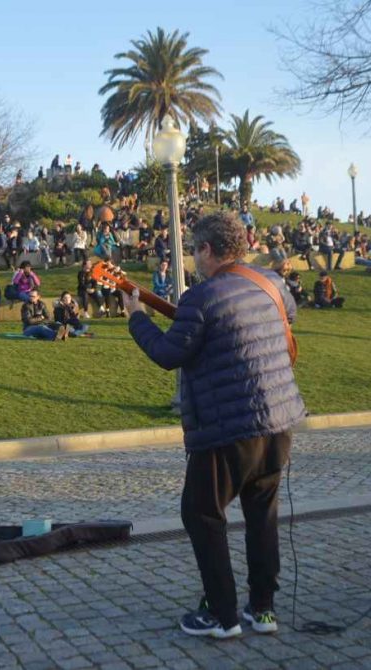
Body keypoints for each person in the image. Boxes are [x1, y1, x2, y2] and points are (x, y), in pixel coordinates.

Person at [123, 210, 305, 639]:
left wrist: (136, 316)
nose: (194, 262)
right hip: (279, 422)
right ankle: (262, 610)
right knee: (262, 514)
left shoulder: (201, 297)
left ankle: (221, 616)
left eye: (195, 251)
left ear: (207, 249)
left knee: (202, 513)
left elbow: (169, 354)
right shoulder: (271, 283)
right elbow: (285, 320)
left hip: (227, 427)